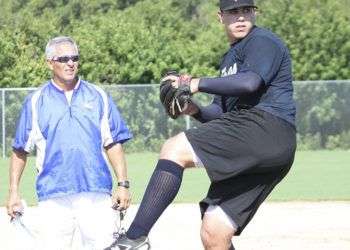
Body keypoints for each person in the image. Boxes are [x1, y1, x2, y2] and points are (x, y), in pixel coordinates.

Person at [108, 0, 296, 249]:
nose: (240, 17)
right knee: (214, 231)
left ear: (254, 13)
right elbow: (220, 114)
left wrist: (195, 83)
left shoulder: (261, 41)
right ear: (221, 17)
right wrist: (194, 109)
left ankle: (134, 238)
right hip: (262, 145)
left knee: (174, 148)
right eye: (233, 12)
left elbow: (250, 83)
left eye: (246, 10)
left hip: (267, 126)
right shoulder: (229, 59)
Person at [6, 36, 133, 250]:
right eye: (63, 58)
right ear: (49, 63)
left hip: (95, 191)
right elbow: (20, 150)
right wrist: (13, 192)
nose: (70, 63)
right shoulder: (36, 101)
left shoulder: (98, 96)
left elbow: (113, 143)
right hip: (53, 194)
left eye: (74, 58)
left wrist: (123, 184)